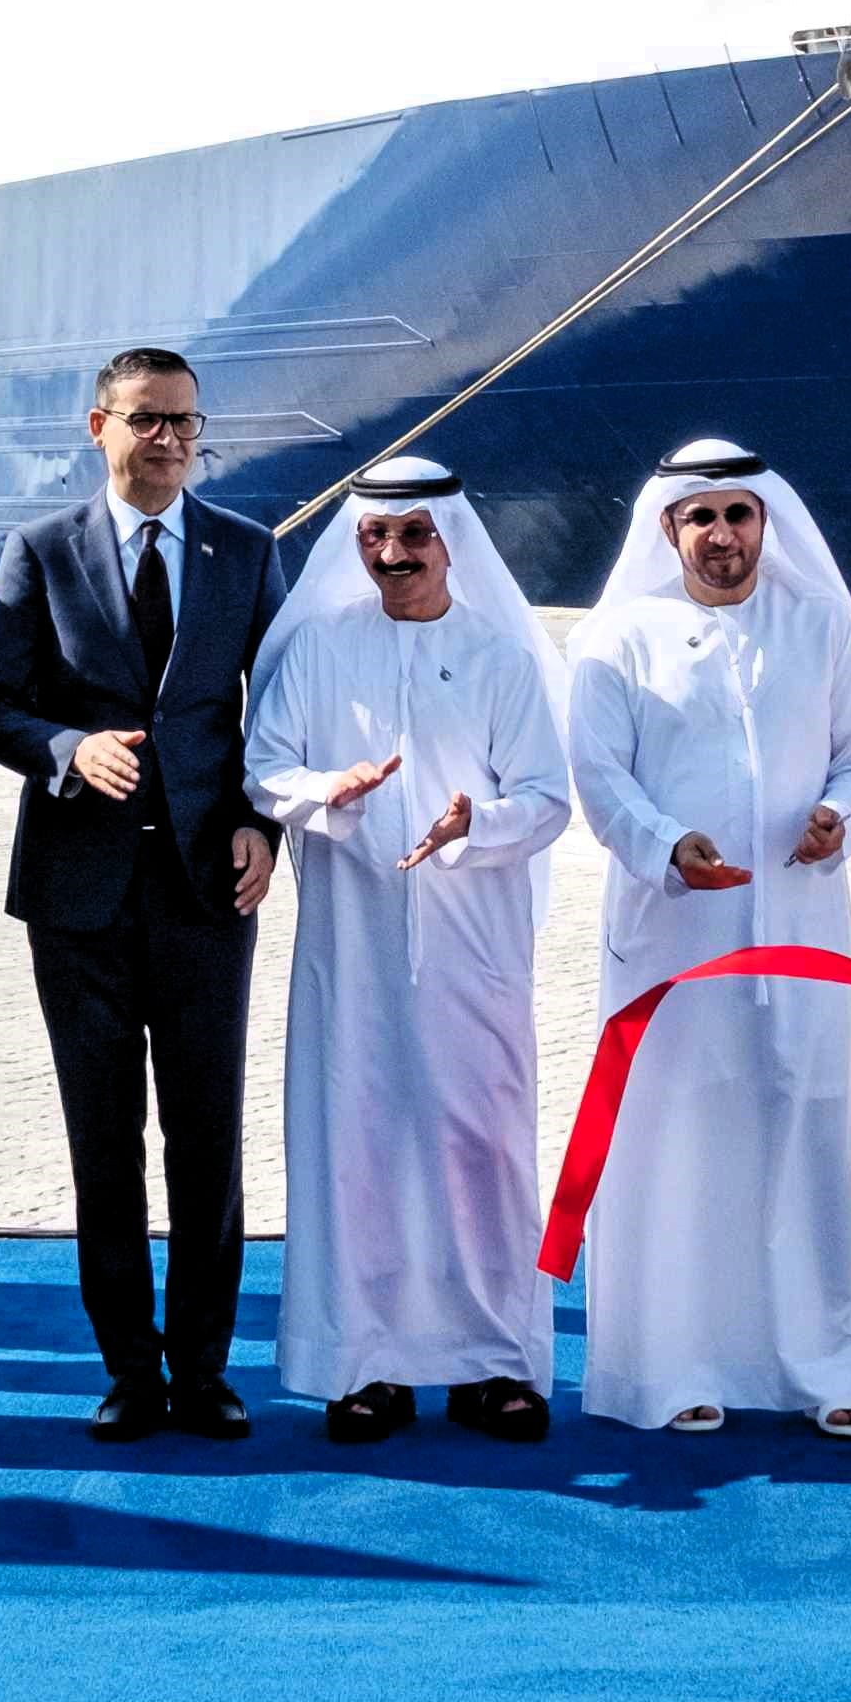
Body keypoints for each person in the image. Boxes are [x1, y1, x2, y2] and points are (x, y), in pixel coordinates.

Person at [0, 348, 287, 1439]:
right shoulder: (41, 550)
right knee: (102, 1140)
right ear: (97, 424)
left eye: (185, 422)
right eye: (147, 420)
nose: (168, 440)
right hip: (79, 895)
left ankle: (202, 1368)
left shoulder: (247, 549)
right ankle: (129, 1371)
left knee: (207, 1137)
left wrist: (262, 823)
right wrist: (68, 749)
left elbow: (277, 713)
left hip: (208, 890)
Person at [560, 440, 851, 1437]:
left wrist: (841, 814)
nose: (720, 534)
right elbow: (599, 774)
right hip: (673, 932)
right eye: (699, 516)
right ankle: (674, 1365)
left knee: (805, 1130)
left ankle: (823, 1366)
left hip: (800, 923)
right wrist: (666, 843)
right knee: (678, 1141)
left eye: (737, 514)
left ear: (765, 522)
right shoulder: (620, 636)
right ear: (668, 528)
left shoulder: (821, 624)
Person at [244, 455, 573, 1440]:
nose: (394, 553)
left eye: (414, 534)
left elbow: (547, 798)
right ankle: (367, 1364)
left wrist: (478, 823)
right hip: (353, 949)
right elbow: (265, 765)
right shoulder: (319, 647)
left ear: (451, 541)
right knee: (360, 1144)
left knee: (483, 1144)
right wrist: (327, 791)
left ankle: (494, 1363)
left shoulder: (499, 655)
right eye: (376, 537)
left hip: (474, 947)